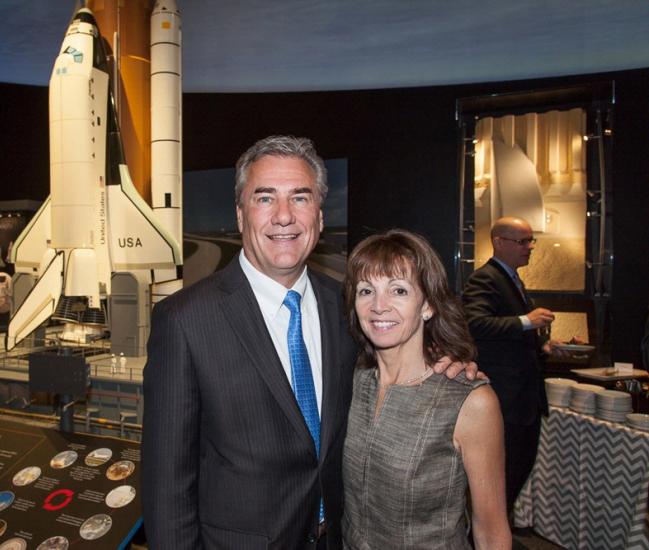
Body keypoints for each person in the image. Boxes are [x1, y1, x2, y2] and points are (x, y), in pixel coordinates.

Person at [142, 135, 477, 549]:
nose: (284, 216)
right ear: (241, 214)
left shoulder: (349, 308)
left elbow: (397, 364)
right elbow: (166, 485)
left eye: (300, 198)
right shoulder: (185, 320)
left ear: (319, 217)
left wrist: (445, 368)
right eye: (265, 198)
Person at [342, 230, 510, 549]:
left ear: (428, 305)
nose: (379, 306)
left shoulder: (469, 401)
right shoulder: (354, 382)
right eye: (366, 290)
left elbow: (491, 531)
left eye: (399, 291)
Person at [461, 216, 567, 512]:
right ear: (498, 242)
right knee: (500, 480)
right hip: (505, 401)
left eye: (531, 241)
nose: (530, 247)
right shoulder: (486, 278)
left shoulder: (511, 279)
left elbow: (508, 340)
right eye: (522, 241)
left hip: (523, 401)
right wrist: (526, 321)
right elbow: (474, 323)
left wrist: (542, 347)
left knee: (515, 474)